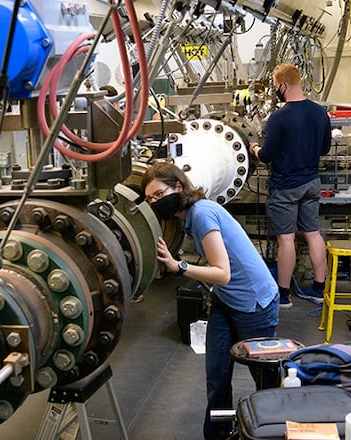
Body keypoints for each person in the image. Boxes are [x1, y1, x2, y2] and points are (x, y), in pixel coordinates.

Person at [142, 162, 279, 440]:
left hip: (254, 304)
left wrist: (178, 266)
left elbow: (222, 273)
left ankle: (273, 431)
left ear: (178, 187)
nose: (155, 202)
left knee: (265, 382)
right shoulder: (188, 217)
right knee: (217, 377)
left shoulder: (202, 213)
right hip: (226, 301)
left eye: (158, 195)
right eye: (149, 199)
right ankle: (217, 435)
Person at [250, 63, 331, 308]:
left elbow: (267, 155)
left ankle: (283, 294)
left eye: (275, 86)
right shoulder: (320, 113)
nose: (276, 90)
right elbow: (325, 149)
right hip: (311, 183)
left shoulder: (279, 118)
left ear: (283, 85)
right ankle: (319, 288)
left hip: (285, 187)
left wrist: (255, 149)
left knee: (286, 240)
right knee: (312, 233)